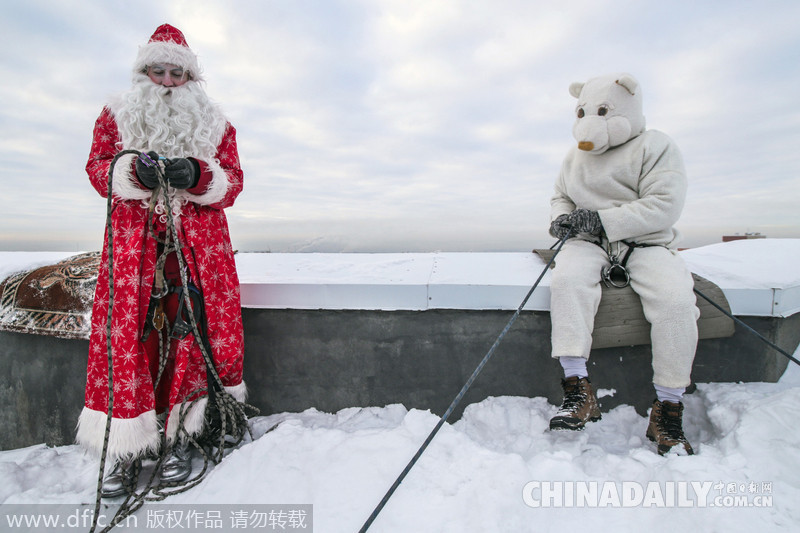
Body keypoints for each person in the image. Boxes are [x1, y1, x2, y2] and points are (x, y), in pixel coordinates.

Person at [76, 24, 247, 496]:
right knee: (131, 341)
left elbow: (232, 182)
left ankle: (180, 439)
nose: (168, 82)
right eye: (158, 71)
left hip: (198, 253)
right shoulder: (115, 117)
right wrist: (129, 171)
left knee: (192, 338)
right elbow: (96, 168)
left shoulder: (218, 124)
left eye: (177, 73)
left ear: (191, 79)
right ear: (143, 73)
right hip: (134, 253)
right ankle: (129, 449)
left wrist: (199, 174)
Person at [547, 73, 699, 455]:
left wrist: (604, 220)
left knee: (677, 303)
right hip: (589, 243)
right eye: (583, 112)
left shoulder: (657, 145)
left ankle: (668, 407)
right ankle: (578, 390)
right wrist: (563, 219)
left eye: (600, 111)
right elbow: (561, 195)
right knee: (566, 284)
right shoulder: (574, 157)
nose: (588, 120)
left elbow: (664, 205)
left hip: (646, 244)